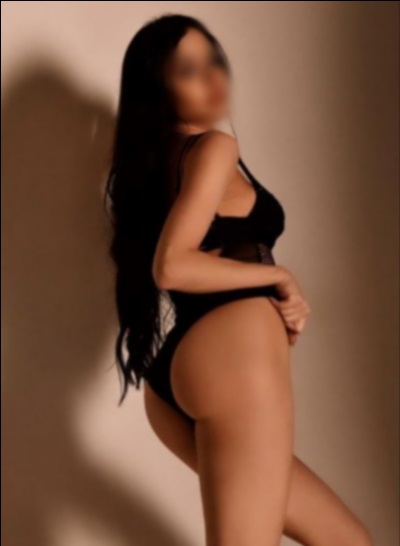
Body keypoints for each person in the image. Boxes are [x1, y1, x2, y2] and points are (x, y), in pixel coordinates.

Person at [104, 13, 374, 546]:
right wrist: (279, 276)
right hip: (233, 355)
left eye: (215, 60)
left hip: (181, 372)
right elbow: (172, 265)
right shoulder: (214, 147)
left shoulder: (159, 161)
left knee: (348, 540)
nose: (213, 77)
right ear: (158, 89)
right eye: (188, 70)